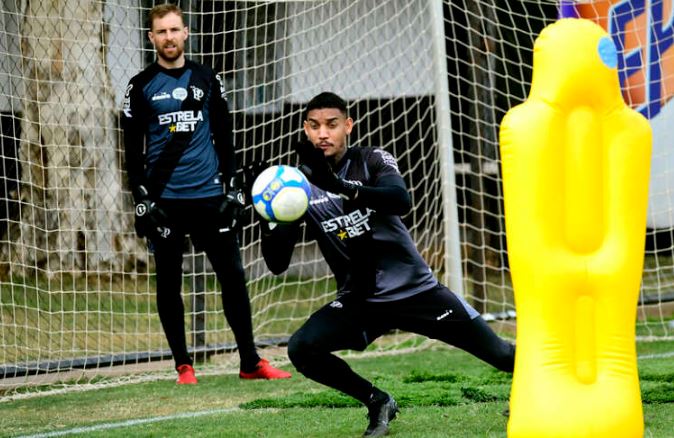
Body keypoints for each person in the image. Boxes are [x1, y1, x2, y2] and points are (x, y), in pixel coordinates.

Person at [258, 92, 514, 436]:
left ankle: (550, 385)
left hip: (417, 292)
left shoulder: (372, 160)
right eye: (315, 126)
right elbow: (276, 264)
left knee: (500, 354)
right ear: (305, 129)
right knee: (302, 347)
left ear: (347, 126)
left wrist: (342, 187)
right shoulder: (297, 187)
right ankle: (378, 401)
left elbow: (400, 200)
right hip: (361, 300)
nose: (323, 134)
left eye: (332, 125)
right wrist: (267, 215)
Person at [121, 3, 291, 385]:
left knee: (232, 276)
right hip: (165, 202)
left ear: (186, 33)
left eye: (174, 30)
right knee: (168, 282)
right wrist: (141, 198)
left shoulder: (207, 78)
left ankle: (250, 362)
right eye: (161, 31)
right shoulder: (139, 85)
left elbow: (225, 137)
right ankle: (183, 366)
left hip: (209, 198)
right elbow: (131, 151)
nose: (168, 37)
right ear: (152, 37)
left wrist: (232, 187)